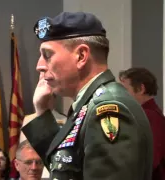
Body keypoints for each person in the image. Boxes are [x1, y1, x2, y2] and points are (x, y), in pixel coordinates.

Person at [22, 12, 153, 179]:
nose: (39, 66)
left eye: (47, 55)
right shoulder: (88, 105)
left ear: (81, 56)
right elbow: (64, 166)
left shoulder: (108, 108)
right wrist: (42, 112)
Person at [119, 67, 165, 180]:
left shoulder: (150, 117)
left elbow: (150, 161)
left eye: (125, 90)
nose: (121, 95)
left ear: (140, 89)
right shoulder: (147, 115)